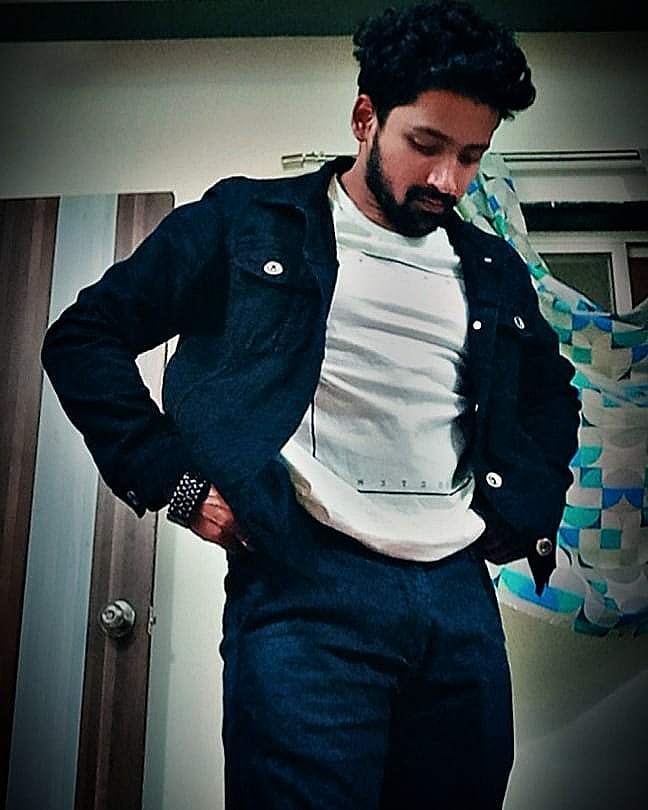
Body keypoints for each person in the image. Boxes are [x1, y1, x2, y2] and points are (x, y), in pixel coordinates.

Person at [41, 1, 581, 807]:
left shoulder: (492, 266)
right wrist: (176, 484)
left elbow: (551, 398)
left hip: (458, 600)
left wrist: (520, 508)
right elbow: (84, 339)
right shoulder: (245, 220)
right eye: (426, 145)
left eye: (471, 156)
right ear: (366, 118)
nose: (448, 179)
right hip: (304, 589)